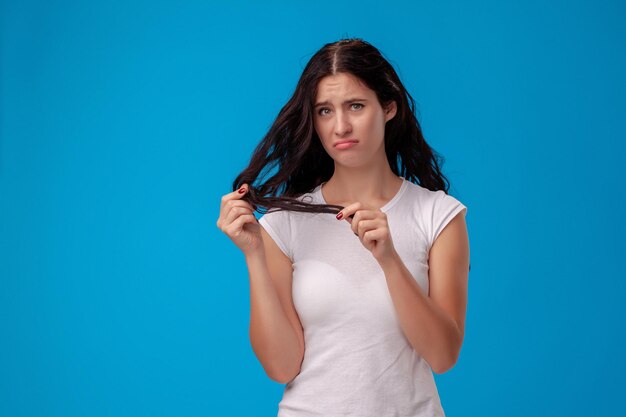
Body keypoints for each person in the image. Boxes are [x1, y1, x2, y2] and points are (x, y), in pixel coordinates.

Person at [216, 38, 470, 417]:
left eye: (355, 105)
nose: (341, 126)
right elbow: (281, 366)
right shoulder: (285, 224)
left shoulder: (438, 215)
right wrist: (254, 255)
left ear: (388, 107)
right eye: (324, 111)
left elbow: (443, 355)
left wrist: (389, 260)